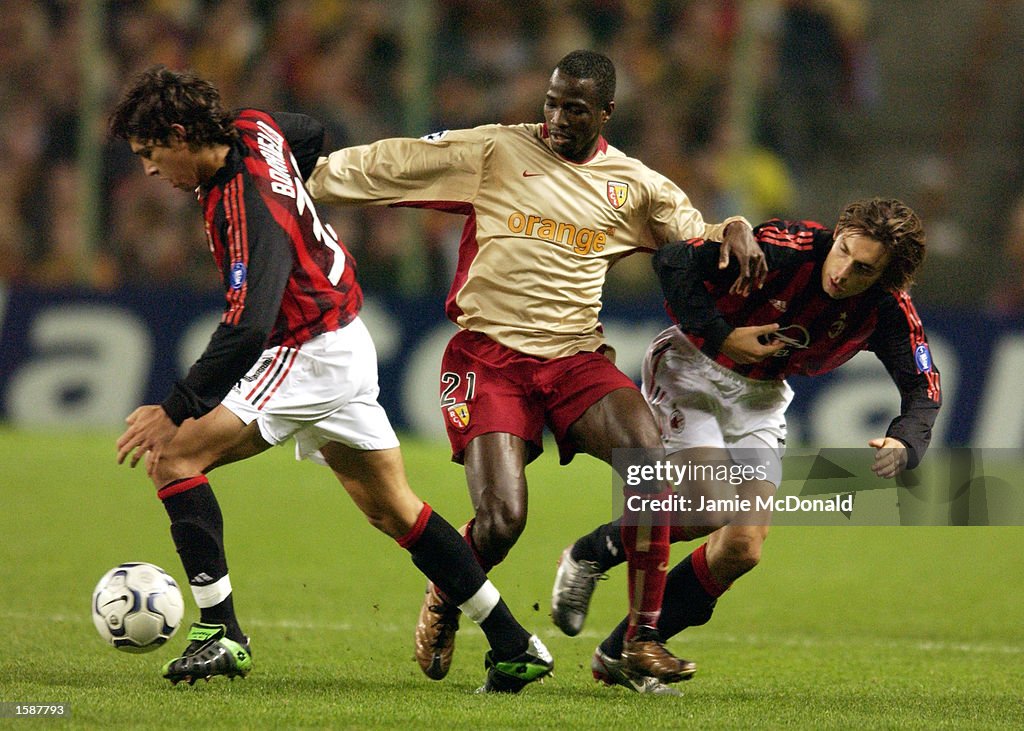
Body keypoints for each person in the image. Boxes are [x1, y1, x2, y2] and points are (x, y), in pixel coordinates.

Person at [305, 49, 767, 686]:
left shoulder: (634, 185)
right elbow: (397, 162)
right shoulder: (496, 151)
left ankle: (640, 639)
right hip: (489, 359)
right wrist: (300, 178)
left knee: (652, 469)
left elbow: (694, 234)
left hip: (575, 360)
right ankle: (446, 599)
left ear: (605, 113)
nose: (556, 118)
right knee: (502, 522)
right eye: (551, 102)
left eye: (574, 108)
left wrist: (735, 225)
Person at [107, 65, 553, 693]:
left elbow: (249, 327)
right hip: (344, 339)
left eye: (151, 155)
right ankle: (514, 642)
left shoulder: (248, 205)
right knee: (395, 511)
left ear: (180, 135)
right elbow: (309, 131)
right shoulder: (254, 127)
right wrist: (298, 195)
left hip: (305, 350)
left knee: (173, 458)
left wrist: (175, 407)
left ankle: (221, 633)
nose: (151, 171)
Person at [552, 197, 941, 694]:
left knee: (741, 547)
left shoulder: (887, 308)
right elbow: (671, 261)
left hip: (761, 396)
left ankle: (621, 654)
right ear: (838, 232)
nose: (843, 272)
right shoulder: (786, 247)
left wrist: (905, 443)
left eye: (863, 269)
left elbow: (924, 387)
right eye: (843, 251)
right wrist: (722, 334)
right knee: (712, 506)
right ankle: (590, 553)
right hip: (691, 367)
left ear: (886, 278)